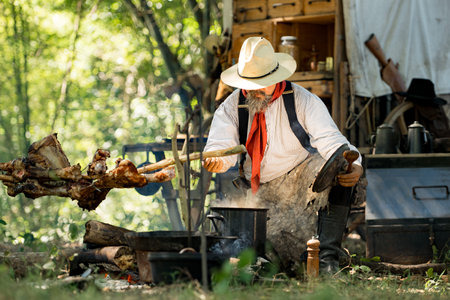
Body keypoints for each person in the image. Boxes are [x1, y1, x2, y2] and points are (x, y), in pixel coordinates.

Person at [202, 37, 363, 274]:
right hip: (260, 193)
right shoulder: (230, 107)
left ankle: (328, 260)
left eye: (262, 83)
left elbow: (335, 144)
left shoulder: (303, 100)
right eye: (250, 83)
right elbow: (220, 148)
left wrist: (355, 164)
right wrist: (217, 161)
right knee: (271, 257)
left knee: (339, 166)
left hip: (301, 180)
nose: (256, 90)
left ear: (276, 77)